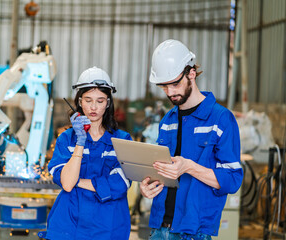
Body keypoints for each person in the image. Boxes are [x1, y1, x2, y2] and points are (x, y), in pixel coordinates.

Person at [140, 39, 243, 240]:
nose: (170, 92)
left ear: (191, 74)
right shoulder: (167, 121)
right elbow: (163, 171)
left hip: (193, 231)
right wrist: (148, 185)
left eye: (175, 84)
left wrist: (188, 167)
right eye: (164, 86)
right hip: (159, 228)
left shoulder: (220, 119)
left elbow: (232, 180)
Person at [46, 66, 132, 240]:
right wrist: (80, 140)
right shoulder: (66, 139)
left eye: (100, 101)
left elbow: (121, 183)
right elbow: (68, 184)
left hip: (109, 227)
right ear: (79, 101)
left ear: (108, 103)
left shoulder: (122, 140)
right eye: (88, 100)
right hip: (69, 225)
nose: (93, 107)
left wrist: (78, 180)